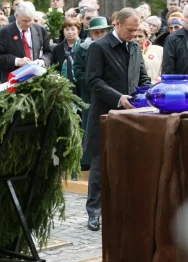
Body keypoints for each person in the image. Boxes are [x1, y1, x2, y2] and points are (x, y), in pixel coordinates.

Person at [85, 8, 151, 231]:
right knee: (99, 166)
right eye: (130, 30)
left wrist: (149, 94)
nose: (134, 34)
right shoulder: (99, 46)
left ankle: (124, 209)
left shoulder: (134, 46)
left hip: (131, 115)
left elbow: (142, 77)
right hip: (105, 114)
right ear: (117, 24)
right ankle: (94, 213)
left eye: (136, 30)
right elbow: (92, 80)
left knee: (128, 162)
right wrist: (118, 98)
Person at [74, 16, 112, 172]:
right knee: (90, 125)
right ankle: (87, 160)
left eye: (103, 31)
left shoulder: (111, 47)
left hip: (110, 92)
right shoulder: (84, 47)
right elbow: (78, 71)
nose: (100, 35)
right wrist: (93, 84)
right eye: (97, 32)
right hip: (90, 93)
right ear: (91, 34)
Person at [0, 1, 52, 83]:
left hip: (37, 80)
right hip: (13, 81)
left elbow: (48, 53)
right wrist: (17, 61)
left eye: (30, 20)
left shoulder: (40, 30)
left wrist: (42, 61)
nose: (28, 24)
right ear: (16, 16)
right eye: (24, 20)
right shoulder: (3, 33)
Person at [52, 17, 81, 85]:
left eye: (73, 29)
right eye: (67, 29)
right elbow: (54, 68)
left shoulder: (84, 47)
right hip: (62, 86)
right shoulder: (57, 49)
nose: (70, 32)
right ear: (63, 31)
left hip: (81, 86)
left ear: (78, 31)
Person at [162, 5, 188, 74]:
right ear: (183, 20)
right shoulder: (172, 39)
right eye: (187, 17)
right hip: (181, 83)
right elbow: (168, 70)